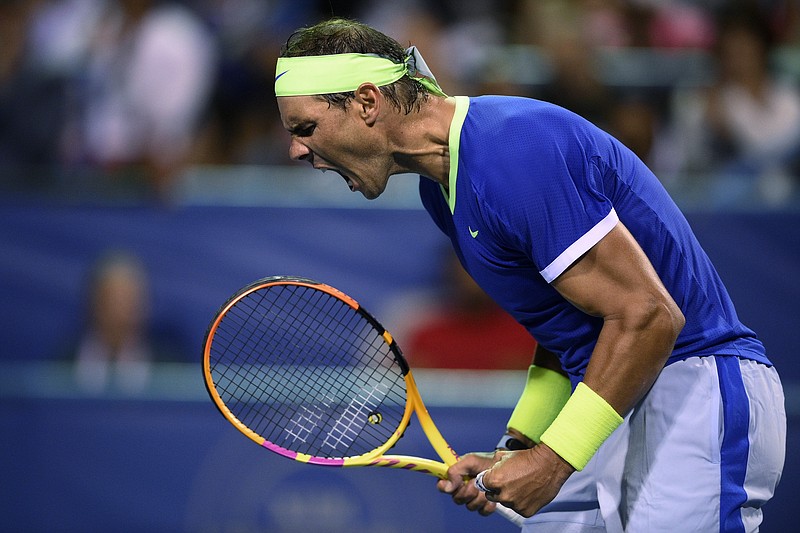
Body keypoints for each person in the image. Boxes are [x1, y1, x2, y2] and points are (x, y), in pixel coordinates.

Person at [272, 18, 786, 532]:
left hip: (692, 385)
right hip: (611, 393)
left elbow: (648, 315)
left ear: (366, 103)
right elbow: (566, 328)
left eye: (305, 128)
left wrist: (553, 459)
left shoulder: (512, 148)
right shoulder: (442, 191)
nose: (296, 150)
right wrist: (520, 445)